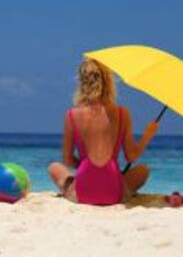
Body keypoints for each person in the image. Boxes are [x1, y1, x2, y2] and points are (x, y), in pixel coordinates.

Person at [47, 58, 158, 205]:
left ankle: (81, 185)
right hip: (114, 194)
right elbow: (131, 157)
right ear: (108, 82)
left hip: (83, 194)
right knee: (143, 170)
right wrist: (147, 135)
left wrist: (87, 168)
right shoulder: (122, 113)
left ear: (82, 83)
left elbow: (67, 159)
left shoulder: (72, 115)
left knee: (54, 167)